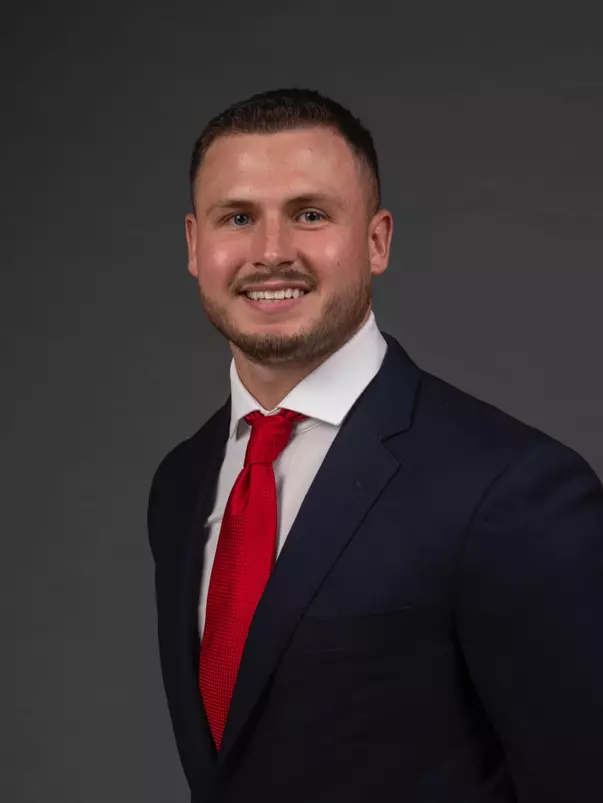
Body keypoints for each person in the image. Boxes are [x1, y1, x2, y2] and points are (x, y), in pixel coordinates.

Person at [147, 87, 603, 803]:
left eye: (309, 214)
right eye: (237, 217)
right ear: (194, 246)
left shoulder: (512, 488)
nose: (271, 252)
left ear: (376, 240)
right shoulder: (180, 483)